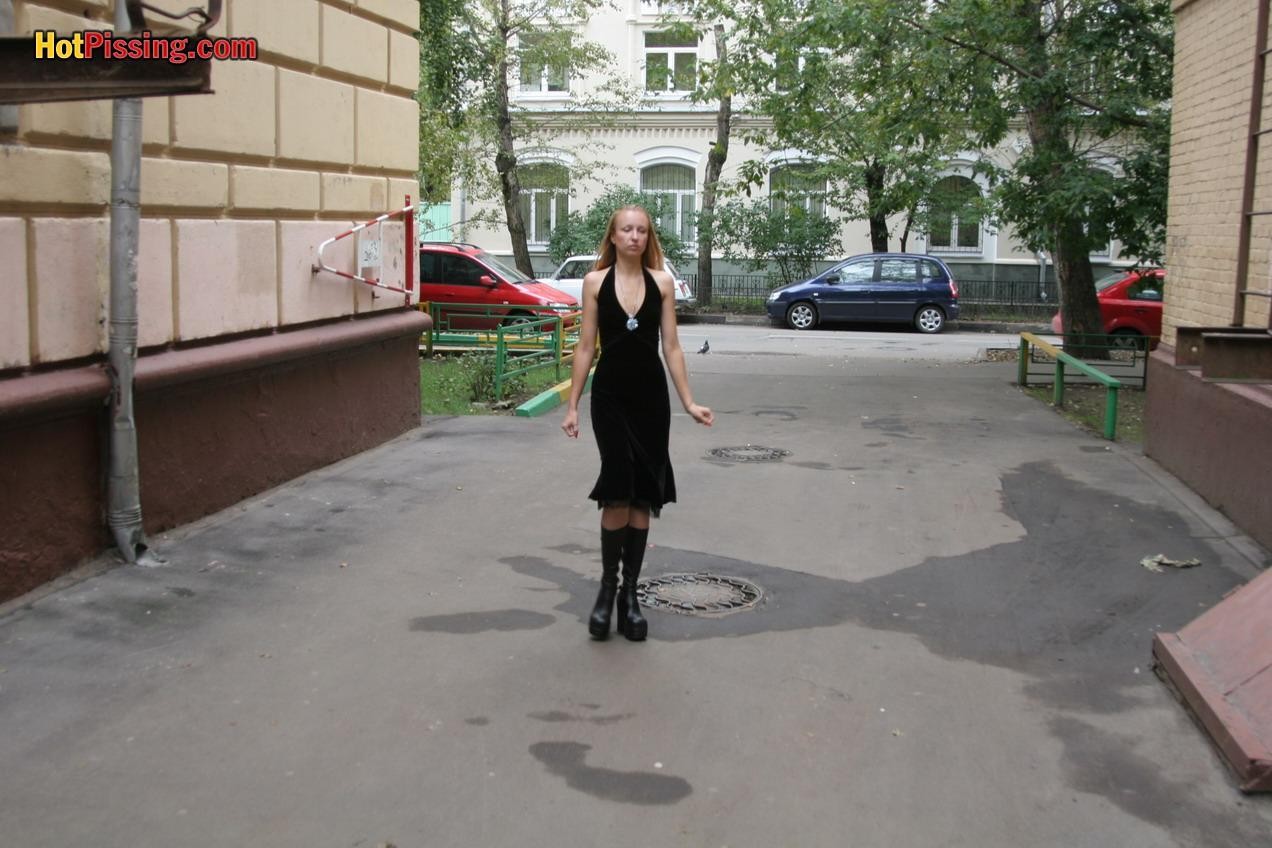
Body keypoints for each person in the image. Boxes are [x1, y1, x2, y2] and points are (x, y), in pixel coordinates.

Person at [561, 205, 714, 642]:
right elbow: (586, 347)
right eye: (626, 229)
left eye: (641, 231)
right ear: (612, 236)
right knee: (617, 485)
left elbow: (674, 348)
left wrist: (689, 402)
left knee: (643, 493)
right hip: (609, 397)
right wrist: (572, 405)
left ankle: (631, 597)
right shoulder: (594, 283)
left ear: (648, 238)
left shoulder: (662, 282)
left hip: (650, 399)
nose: (634, 237)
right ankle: (607, 592)